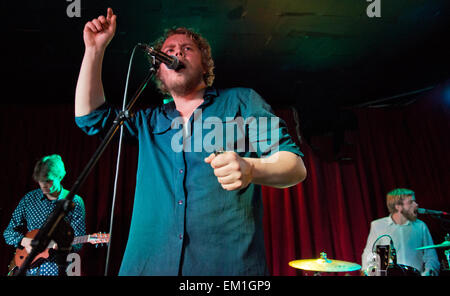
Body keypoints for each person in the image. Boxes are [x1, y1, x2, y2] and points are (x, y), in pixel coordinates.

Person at [74, 8, 307, 275]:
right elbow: (90, 118)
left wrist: (252, 169)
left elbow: (294, 166)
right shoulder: (149, 121)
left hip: (225, 269)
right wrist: (94, 50)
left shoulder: (242, 102)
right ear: (159, 71)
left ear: (205, 64)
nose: (177, 53)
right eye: (169, 50)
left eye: (187, 48)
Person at [3, 154, 86, 276]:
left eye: (48, 181)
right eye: (40, 181)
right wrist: (25, 241)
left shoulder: (75, 201)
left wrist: (61, 246)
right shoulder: (29, 199)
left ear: (60, 176)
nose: (43, 185)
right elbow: (8, 233)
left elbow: (78, 242)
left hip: (57, 268)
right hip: (28, 268)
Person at [361, 188, 440, 276]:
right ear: (398, 206)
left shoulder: (420, 226)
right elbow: (369, 253)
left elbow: (431, 256)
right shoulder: (378, 225)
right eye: (411, 202)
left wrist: (428, 272)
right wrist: (368, 272)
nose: (416, 205)